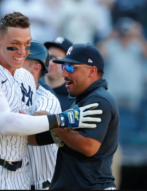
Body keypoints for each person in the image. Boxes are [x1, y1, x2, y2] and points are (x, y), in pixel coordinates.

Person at [0, 12, 103, 190]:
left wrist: (57, 133)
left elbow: (24, 133)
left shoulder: (25, 79)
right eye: (15, 44)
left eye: (27, 45)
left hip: (21, 173)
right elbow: (3, 124)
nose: (21, 51)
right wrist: (61, 120)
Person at [33, 43, 119, 190]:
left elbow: (88, 146)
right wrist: (24, 122)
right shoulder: (82, 99)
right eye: (64, 67)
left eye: (71, 68)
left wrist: (54, 122)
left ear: (91, 71)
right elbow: (39, 139)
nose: (64, 74)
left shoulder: (99, 100)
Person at [22, 40, 61, 190]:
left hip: (44, 185)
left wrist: (17, 119)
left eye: (21, 61)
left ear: (35, 68)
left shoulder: (46, 97)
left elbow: (40, 119)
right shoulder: (10, 91)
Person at [40, 36, 74, 111]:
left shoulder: (73, 99)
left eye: (58, 59)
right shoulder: (31, 85)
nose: (51, 62)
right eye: (49, 56)